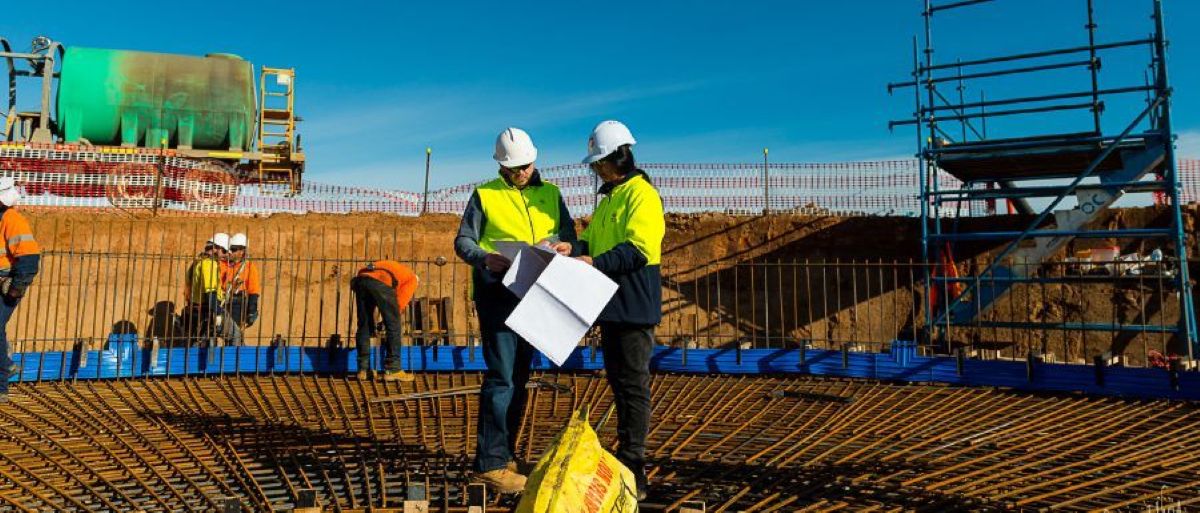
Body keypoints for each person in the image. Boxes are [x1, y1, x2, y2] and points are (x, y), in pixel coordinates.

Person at [455, 127, 576, 494]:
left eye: (525, 165)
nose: (521, 172)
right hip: (498, 293)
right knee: (502, 377)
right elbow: (463, 241)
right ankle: (490, 463)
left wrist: (566, 246)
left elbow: (570, 235)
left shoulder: (552, 194)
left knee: (520, 376)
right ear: (501, 167)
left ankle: (505, 454)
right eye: (514, 168)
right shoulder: (485, 195)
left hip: (537, 292)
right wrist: (484, 257)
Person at [558, 120, 663, 501]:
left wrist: (594, 263)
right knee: (620, 382)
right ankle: (626, 454)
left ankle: (634, 464)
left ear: (617, 157)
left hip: (634, 305)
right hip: (612, 305)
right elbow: (599, 243)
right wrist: (576, 248)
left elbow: (638, 249)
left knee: (633, 385)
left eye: (598, 161)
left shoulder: (641, 195)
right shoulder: (610, 199)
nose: (594, 169)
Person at [0, 178, 39, 402]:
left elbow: (30, 257)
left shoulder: (12, 219)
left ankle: (3, 381)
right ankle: (6, 368)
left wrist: (16, 288)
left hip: (6, 283)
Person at [351, 259, 419, 382]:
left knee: (364, 325)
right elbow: (399, 304)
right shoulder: (412, 279)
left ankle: (363, 370)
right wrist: (387, 320)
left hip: (361, 279)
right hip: (381, 281)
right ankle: (393, 369)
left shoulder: (396, 269)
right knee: (394, 325)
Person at [185, 233, 228, 346]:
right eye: (224, 251)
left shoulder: (196, 263)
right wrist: (217, 313)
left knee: (200, 342)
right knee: (235, 335)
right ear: (215, 248)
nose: (226, 255)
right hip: (208, 310)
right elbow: (210, 292)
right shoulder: (209, 264)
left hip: (195, 309)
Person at [221, 233, 261, 345]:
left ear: (242, 251)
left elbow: (253, 290)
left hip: (238, 304)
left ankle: (236, 358)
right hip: (223, 302)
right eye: (229, 249)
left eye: (233, 249)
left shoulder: (248, 267)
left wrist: (251, 310)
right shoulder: (223, 265)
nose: (230, 252)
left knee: (234, 336)